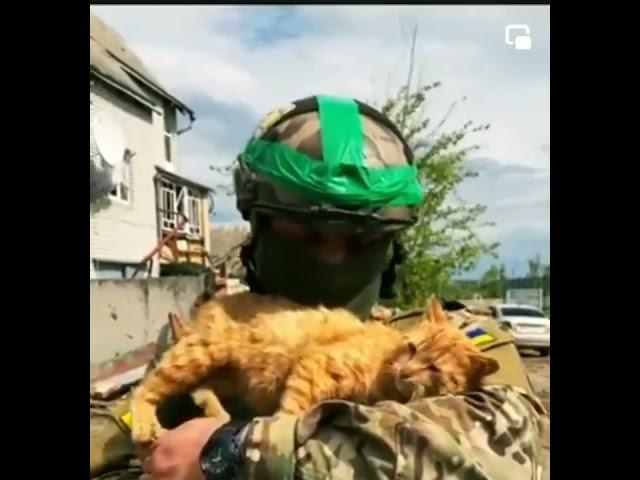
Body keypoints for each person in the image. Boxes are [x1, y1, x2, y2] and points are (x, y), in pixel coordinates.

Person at [90, 95, 547, 480]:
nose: (331, 257)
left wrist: (238, 452)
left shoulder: (449, 339)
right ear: (258, 232)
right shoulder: (225, 332)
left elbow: (503, 449)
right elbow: (109, 445)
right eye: (306, 233)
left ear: (390, 249)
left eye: (358, 239)